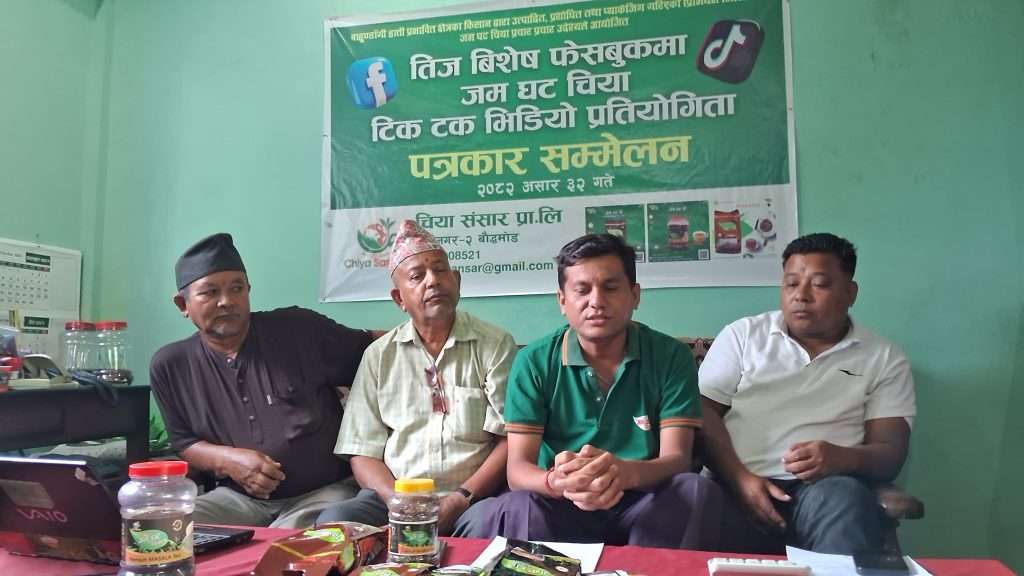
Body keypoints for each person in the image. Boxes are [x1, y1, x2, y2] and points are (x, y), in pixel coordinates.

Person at [461, 234, 720, 549]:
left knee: (694, 490)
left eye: (610, 288)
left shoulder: (671, 357)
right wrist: (555, 481)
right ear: (562, 301)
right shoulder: (533, 362)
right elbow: (517, 470)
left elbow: (676, 458)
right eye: (582, 290)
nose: (596, 301)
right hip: (561, 501)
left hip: (644, 499)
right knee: (519, 505)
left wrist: (624, 473)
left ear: (635, 295)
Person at [698, 233, 916, 554]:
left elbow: (890, 453)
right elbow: (700, 412)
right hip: (734, 482)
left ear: (850, 292)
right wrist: (741, 479)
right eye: (791, 283)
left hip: (824, 490)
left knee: (846, 499)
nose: (801, 295)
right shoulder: (743, 336)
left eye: (819, 284)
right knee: (689, 499)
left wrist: (842, 457)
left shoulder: (883, 357)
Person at [150, 233, 373, 528]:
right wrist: (229, 460)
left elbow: (376, 352)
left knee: (287, 540)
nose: (227, 301)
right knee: (163, 524)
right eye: (210, 292)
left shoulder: (299, 330)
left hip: (325, 493)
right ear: (183, 304)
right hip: (238, 499)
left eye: (237, 288)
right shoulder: (171, 365)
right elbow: (185, 442)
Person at [319, 220, 515, 535]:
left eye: (440, 270)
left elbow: (509, 440)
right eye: (417, 276)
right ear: (399, 299)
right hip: (394, 500)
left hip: (473, 499)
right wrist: (397, 501)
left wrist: (460, 498)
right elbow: (361, 451)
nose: (433, 281)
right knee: (336, 523)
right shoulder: (379, 356)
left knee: (492, 523)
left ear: (457, 282)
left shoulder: (495, 345)